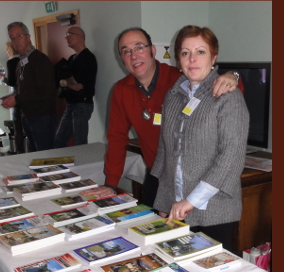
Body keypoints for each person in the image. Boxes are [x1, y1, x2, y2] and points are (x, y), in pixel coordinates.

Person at [81, 27, 241, 207]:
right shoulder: (121, 90)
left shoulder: (180, 78)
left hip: (197, 180)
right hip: (158, 177)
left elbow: (225, 88)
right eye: (126, 51)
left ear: (152, 50)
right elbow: (116, 138)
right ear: (122, 59)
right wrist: (111, 183)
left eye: (139, 47)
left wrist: (233, 76)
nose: (134, 55)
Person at [151, 25, 249, 251]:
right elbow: (166, 149)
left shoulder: (228, 97)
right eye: (185, 53)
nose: (192, 59)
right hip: (175, 209)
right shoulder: (174, 95)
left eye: (200, 52)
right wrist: (164, 201)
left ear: (213, 57)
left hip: (213, 212)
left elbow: (231, 158)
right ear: (178, 59)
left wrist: (190, 201)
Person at [1, 22, 57, 152]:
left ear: (28, 36)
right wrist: (14, 97)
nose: (16, 40)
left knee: (45, 156)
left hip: (42, 116)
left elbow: (46, 91)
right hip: (28, 115)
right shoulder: (21, 61)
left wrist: (17, 99)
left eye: (19, 36)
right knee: (34, 156)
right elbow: (27, 88)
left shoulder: (40, 60)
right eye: (12, 37)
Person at [54, 27, 97, 148]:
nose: (66, 37)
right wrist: (67, 82)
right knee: (58, 140)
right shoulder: (72, 58)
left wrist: (66, 81)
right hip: (71, 104)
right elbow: (61, 80)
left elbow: (79, 84)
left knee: (79, 144)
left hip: (82, 105)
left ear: (80, 37)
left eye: (69, 34)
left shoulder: (88, 58)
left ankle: (82, 166)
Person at [0, 41, 25, 153]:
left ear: (9, 50)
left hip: (18, 98)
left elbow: (12, 82)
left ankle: (20, 153)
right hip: (29, 98)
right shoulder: (25, 59)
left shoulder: (12, 61)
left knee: (17, 127)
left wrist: (2, 78)